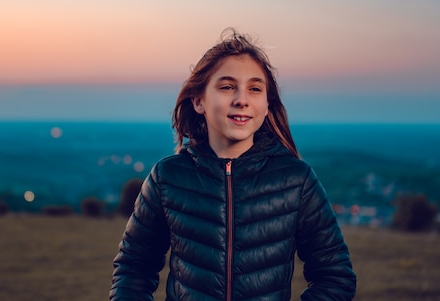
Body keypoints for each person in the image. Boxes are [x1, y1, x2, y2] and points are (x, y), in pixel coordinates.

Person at [110, 28, 356, 301]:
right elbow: (133, 270)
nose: (242, 100)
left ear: (266, 102)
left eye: (254, 88)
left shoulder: (296, 180)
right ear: (199, 100)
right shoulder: (167, 178)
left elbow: (335, 276)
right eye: (227, 87)